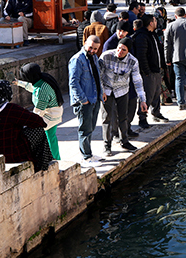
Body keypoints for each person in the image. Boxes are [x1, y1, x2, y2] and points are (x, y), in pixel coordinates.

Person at [0, 80, 53, 172]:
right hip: (9, 155)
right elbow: (40, 122)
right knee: (38, 130)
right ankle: (42, 165)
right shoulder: (10, 109)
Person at [99, 38, 147, 153]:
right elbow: (98, 75)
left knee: (123, 117)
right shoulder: (106, 56)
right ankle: (107, 145)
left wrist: (142, 100)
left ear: (128, 51)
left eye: (123, 50)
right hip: (107, 89)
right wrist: (102, 91)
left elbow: (137, 81)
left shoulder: (133, 61)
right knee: (107, 118)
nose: (119, 51)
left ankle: (124, 141)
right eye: (119, 48)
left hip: (122, 90)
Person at [14, 63, 64, 161]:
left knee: (35, 134)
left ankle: (51, 158)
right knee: (51, 137)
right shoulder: (42, 81)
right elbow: (32, 87)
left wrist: (28, 121)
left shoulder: (41, 90)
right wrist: (18, 83)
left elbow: (39, 110)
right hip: (54, 112)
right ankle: (56, 158)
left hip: (50, 115)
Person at [69, 35, 104, 164]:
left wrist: (102, 93)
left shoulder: (93, 57)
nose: (93, 50)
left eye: (95, 49)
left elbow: (97, 76)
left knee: (91, 127)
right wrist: (83, 100)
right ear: (85, 43)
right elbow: (73, 83)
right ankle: (86, 156)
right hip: (85, 100)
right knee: (85, 129)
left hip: (94, 98)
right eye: (91, 47)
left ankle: (89, 153)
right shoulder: (77, 59)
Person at [132, 14, 170, 124]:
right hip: (148, 72)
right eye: (155, 21)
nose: (156, 22)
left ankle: (156, 113)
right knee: (147, 95)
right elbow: (141, 56)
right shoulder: (142, 36)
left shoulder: (152, 34)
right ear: (151, 23)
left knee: (156, 93)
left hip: (156, 70)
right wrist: (146, 71)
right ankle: (142, 117)